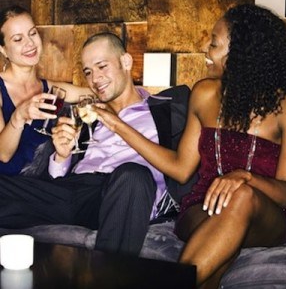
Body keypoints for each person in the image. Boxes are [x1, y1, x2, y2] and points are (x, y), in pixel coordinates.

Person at [93, 4, 286, 287]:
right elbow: (180, 169)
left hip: (265, 218)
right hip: (203, 208)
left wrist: (246, 178)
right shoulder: (204, 93)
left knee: (242, 196)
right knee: (217, 254)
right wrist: (116, 124)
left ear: (240, 54)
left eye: (214, 42)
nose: (204, 47)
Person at [0, 32, 191, 256]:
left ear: (126, 62)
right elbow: (58, 182)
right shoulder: (87, 114)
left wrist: (116, 124)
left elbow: (180, 170)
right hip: (74, 192)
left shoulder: (167, 110)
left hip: (123, 193)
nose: (95, 79)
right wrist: (62, 157)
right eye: (88, 72)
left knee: (133, 175)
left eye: (102, 66)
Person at [0, 5, 91, 175]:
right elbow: (3, 155)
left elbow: (97, 94)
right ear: (3, 49)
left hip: (40, 188)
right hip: (6, 187)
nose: (30, 43)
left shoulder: (52, 89)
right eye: (18, 39)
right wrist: (19, 116)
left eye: (32, 33)